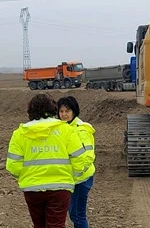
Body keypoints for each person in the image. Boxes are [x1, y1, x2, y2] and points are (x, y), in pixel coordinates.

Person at [6, 93, 90, 228]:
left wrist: (25, 177)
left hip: (32, 188)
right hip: (60, 188)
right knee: (56, 225)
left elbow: (13, 165)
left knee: (39, 225)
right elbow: (80, 159)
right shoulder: (66, 130)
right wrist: (72, 178)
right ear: (53, 109)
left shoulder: (20, 133)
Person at [58, 96, 96, 228]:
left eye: (67, 111)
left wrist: (78, 172)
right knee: (73, 212)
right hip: (70, 179)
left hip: (81, 179)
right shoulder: (61, 129)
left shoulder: (81, 129)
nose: (64, 114)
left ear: (74, 111)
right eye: (61, 111)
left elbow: (88, 156)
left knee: (77, 214)